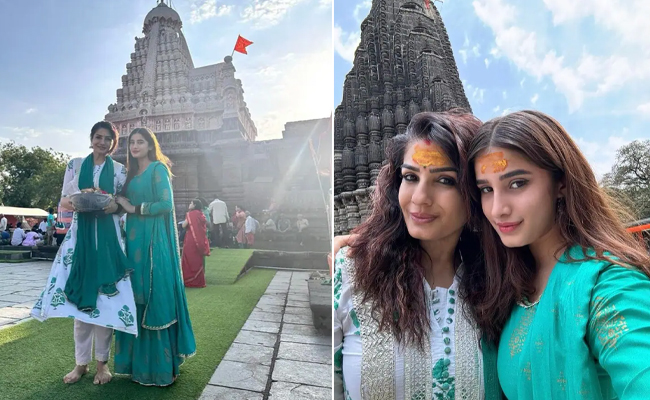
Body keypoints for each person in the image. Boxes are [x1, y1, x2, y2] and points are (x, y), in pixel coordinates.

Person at [467, 110, 650, 398]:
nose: (497, 208)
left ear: (561, 184)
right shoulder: (510, 287)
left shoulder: (608, 286)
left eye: (517, 183)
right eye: (487, 189)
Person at [333, 111, 502, 400]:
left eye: (445, 180)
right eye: (410, 177)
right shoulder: (351, 272)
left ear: (476, 192)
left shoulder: (498, 282)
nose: (420, 198)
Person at [30, 121, 136, 385]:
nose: (102, 142)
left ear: (114, 143)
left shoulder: (121, 171)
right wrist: (83, 196)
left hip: (110, 241)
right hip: (79, 241)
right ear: (91, 139)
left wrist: (111, 204)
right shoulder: (75, 165)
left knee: (106, 305)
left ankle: (103, 365)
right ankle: (81, 364)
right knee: (79, 307)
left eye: (108, 138)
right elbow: (65, 200)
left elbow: (122, 205)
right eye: (98, 137)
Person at [114, 127, 196, 386]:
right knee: (135, 295)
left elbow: (166, 204)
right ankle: (137, 367)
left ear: (151, 146)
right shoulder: (131, 174)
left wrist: (133, 207)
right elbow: (121, 204)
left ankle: (161, 367)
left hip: (153, 241)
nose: (135, 146)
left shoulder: (158, 169)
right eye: (132, 142)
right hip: (133, 242)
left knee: (153, 295)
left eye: (141, 142)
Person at [181, 198, 211, 288]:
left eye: (191, 203)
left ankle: (189, 280)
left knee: (189, 259)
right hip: (200, 240)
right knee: (198, 260)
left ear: (194, 205)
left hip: (191, 240)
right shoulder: (201, 214)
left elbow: (184, 225)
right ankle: (199, 281)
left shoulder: (191, 214)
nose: (189, 204)